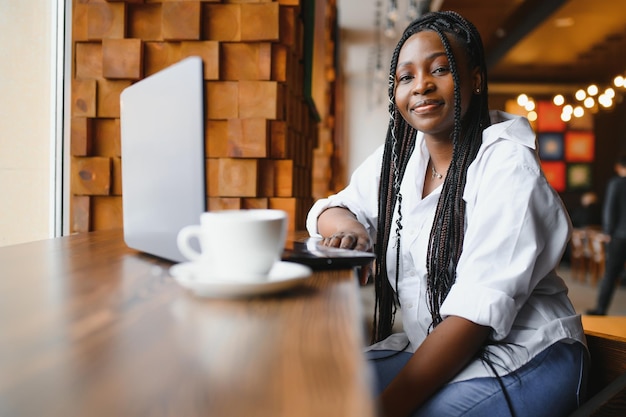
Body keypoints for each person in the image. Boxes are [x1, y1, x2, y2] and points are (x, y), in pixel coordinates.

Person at [306, 11, 587, 417]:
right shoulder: (399, 158)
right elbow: (329, 210)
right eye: (406, 77)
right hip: (443, 351)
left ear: (474, 78)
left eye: (440, 69)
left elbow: (474, 318)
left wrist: (386, 409)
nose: (421, 85)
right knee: (320, 389)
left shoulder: (507, 165)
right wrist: (353, 229)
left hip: (527, 356)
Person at [587, 154, 626, 315]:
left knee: (610, 273)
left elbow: (609, 210)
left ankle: (601, 308)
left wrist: (608, 232)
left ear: (618, 166)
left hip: (619, 235)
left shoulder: (616, 184)